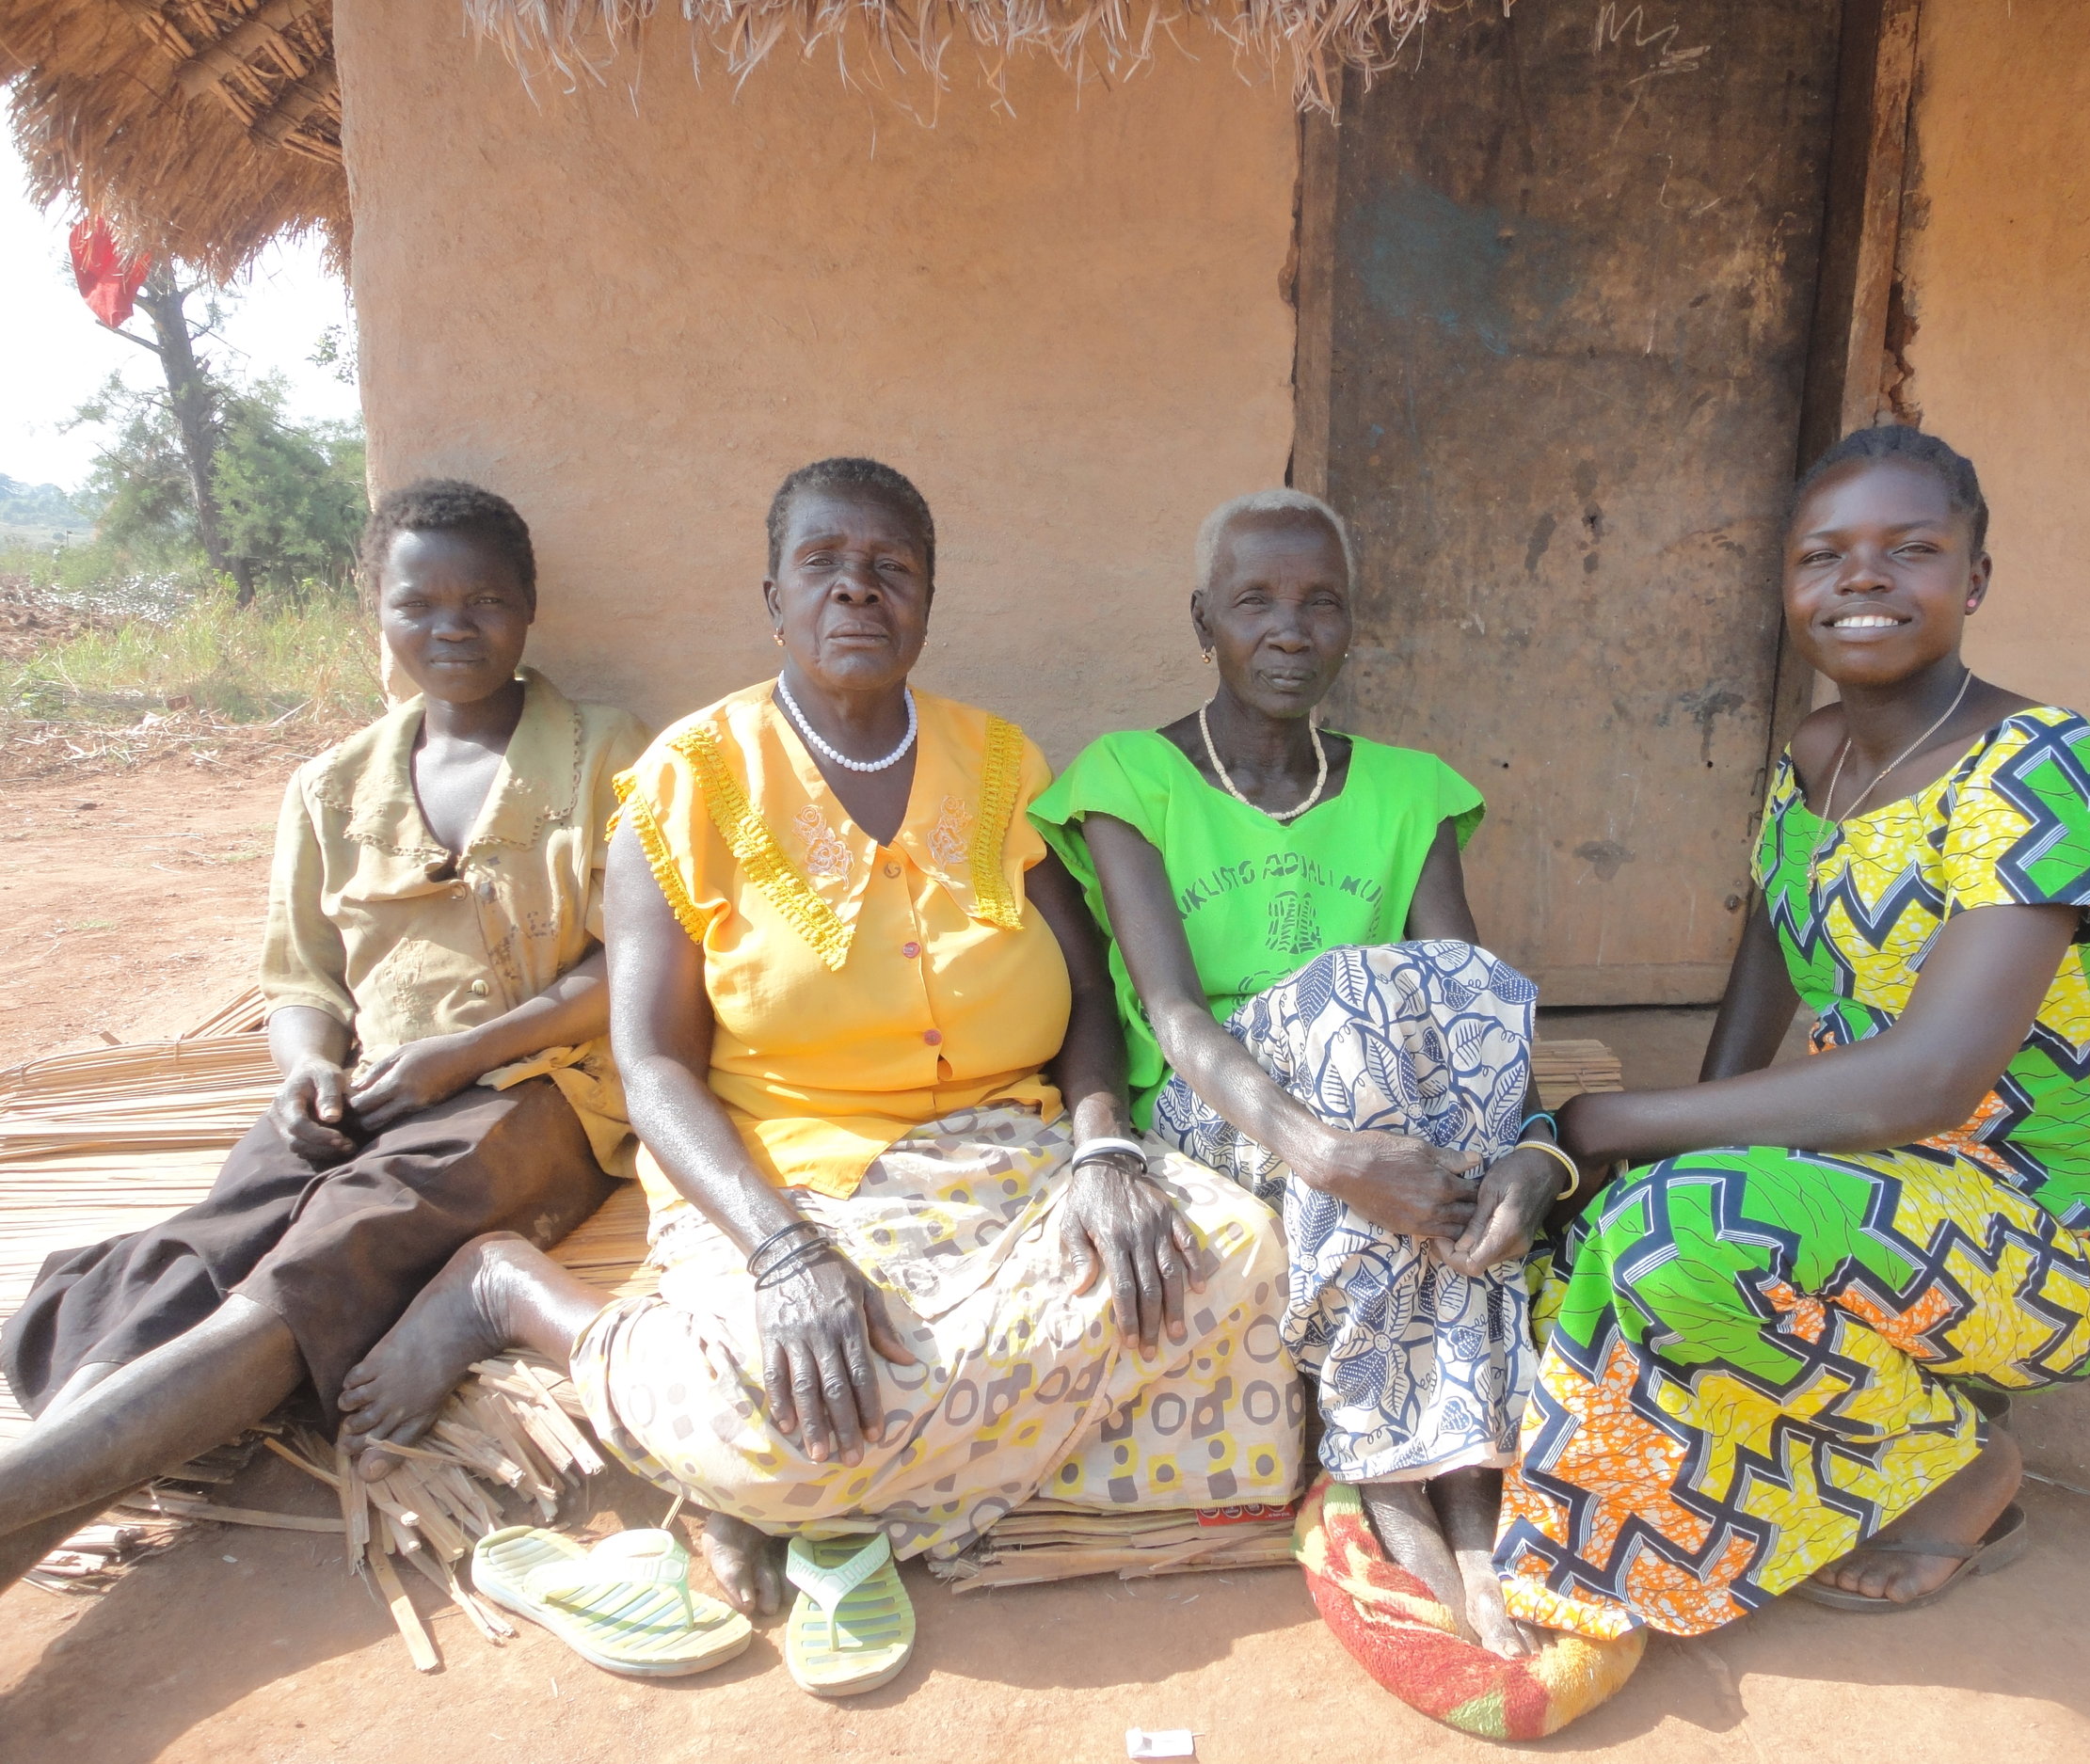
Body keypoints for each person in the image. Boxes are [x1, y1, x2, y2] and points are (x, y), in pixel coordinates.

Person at [334, 458, 1300, 1684]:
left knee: (1233, 1254)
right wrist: (781, 1247)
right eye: (824, 566)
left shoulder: (1000, 762)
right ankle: (520, 1297)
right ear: (774, 598)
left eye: (891, 568)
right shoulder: (686, 782)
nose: (858, 590)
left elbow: (1089, 1004)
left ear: (928, 601)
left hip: (1015, 1159)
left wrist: (1107, 1147)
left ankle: (810, 1495)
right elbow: (653, 1065)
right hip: (788, 1174)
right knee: (780, 1389)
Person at [1494, 426, 2090, 1640]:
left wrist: (1611, 1127)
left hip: (2038, 1230)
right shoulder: (1815, 755)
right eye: (1825, 557)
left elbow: (1927, 1082)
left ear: (1976, 578)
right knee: (1562, 1247)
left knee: (1662, 1238)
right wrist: (1657, 1152)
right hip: (1866, 1184)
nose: (1862, 580)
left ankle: (1958, 1474)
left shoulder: (2046, 768)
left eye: (1910, 549)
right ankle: (1887, 1394)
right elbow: (1766, 956)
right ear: (1790, 585)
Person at [0, 480, 645, 1590]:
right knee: (191, 1251)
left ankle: (23, 1498)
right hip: (369, 1095)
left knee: (320, 1262)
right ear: (377, 616)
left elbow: (628, 963)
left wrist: (464, 1054)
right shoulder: (329, 787)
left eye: (485, 600)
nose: (454, 626)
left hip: (539, 1093)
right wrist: (305, 1070)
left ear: (530, 609)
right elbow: (300, 980)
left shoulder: (602, 751)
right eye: (420, 603)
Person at [1029, 488, 1569, 1660]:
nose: (1290, 629)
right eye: (1255, 602)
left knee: (1423, 1010)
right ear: (1201, 621)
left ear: (1350, 627)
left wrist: (1535, 1143)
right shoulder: (1132, 776)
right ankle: (1396, 1461)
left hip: (1380, 1098)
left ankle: (1456, 1477)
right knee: (1353, 1014)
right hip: (1215, 1107)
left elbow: (1462, 998)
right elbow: (1168, 1011)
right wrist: (1321, 1149)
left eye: (1321, 604)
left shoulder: (1409, 787)